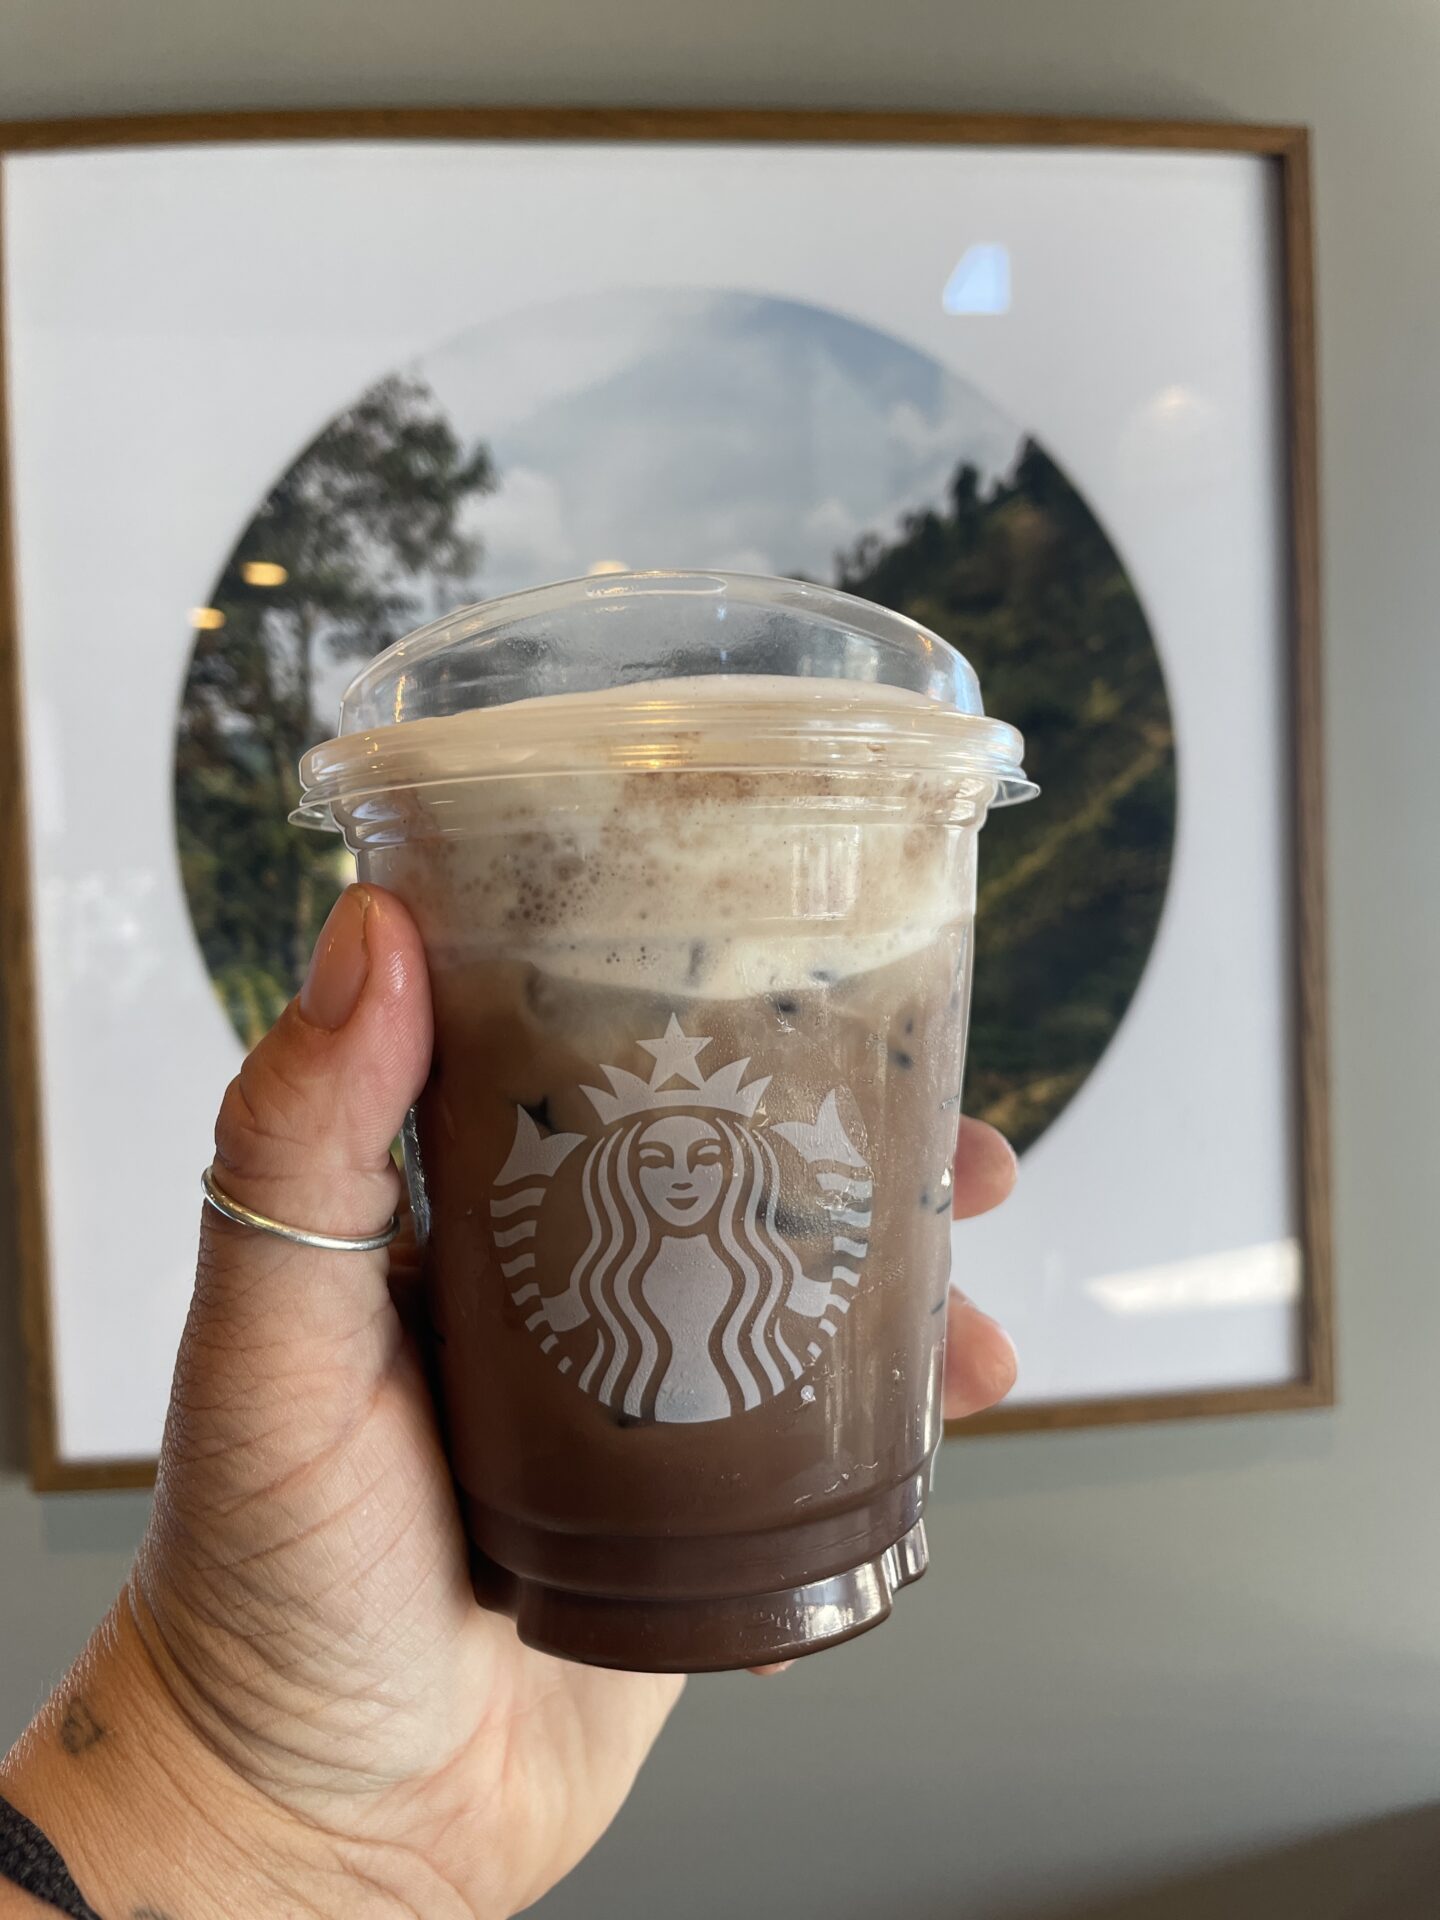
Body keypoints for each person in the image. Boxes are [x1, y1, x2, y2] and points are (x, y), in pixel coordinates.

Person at [0, 886, 1019, 1919]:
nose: (680, 1177)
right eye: (654, 1155)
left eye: (704, 1154)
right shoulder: (602, 1281)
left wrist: (277, 1822)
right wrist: (249, 1796)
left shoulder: (766, 1281)